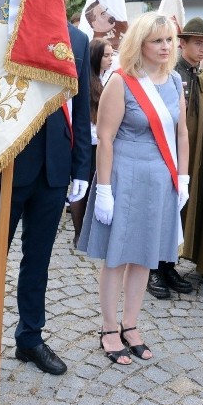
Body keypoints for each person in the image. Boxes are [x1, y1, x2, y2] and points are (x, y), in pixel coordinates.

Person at [0, 0, 91, 391]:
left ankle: (29, 338)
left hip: (55, 168)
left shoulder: (77, 40)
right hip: (10, 163)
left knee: (38, 262)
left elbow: (82, 109)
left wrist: (81, 168)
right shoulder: (7, 32)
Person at [78, 11, 189, 364]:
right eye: (157, 40)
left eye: (169, 39)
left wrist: (182, 178)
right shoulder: (122, 81)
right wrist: (106, 190)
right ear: (139, 43)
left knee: (145, 255)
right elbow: (106, 138)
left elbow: (181, 132)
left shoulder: (173, 82)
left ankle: (131, 324)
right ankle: (110, 327)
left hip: (160, 179)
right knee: (118, 256)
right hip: (124, 176)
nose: (165, 46)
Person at [156, 17, 203, 298]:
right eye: (198, 43)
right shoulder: (168, 74)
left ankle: (169, 264)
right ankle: (152, 269)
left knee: (180, 211)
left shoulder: (202, 79)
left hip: (191, 157)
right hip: (169, 154)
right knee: (163, 210)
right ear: (182, 44)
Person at [70, 37, 113, 248]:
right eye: (106, 55)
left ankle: (88, 232)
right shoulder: (88, 80)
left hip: (100, 142)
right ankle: (78, 233)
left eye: (112, 55)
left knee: (95, 186)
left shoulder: (104, 78)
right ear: (96, 56)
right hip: (89, 141)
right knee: (82, 186)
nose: (110, 59)